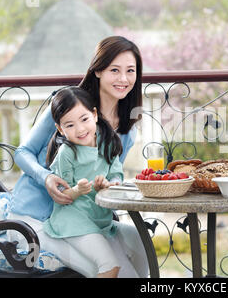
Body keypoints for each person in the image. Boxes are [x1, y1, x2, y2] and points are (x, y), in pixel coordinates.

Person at [8, 36, 148, 278]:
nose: (123, 79)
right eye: (114, 70)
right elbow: (22, 152)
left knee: (140, 245)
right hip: (35, 218)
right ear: (97, 70)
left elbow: (107, 179)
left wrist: (111, 185)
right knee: (118, 272)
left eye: (130, 71)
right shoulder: (69, 106)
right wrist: (47, 178)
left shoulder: (126, 132)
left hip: (84, 219)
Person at [43, 86, 126, 278]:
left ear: (95, 115)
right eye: (69, 125)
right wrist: (77, 190)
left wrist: (108, 184)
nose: (80, 129)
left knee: (139, 245)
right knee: (109, 266)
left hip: (98, 217)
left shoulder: (109, 143)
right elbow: (61, 195)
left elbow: (116, 175)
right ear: (60, 129)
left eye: (84, 119)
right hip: (72, 219)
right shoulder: (67, 153)